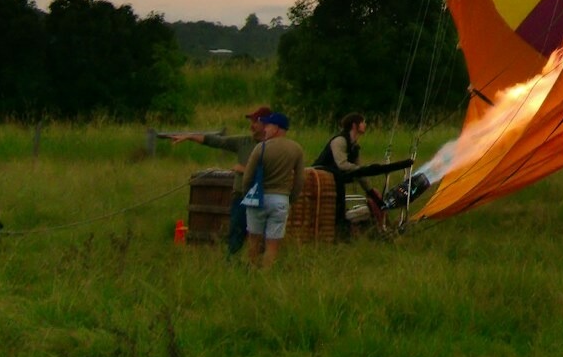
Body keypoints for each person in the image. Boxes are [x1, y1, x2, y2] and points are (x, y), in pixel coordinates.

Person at [168, 106, 268, 256]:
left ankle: (259, 264)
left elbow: (274, 170)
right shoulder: (243, 142)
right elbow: (216, 141)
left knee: (261, 235)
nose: (251, 126)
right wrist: (190, 136)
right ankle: (231, 262)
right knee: (235, 232)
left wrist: (244, 169)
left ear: (265, 124)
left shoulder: (273, 146)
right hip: (241, 195)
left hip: (263, 196)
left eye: (255, 122)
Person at [313, 112, 411, 239]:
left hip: (337, 181)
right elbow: (342, 164)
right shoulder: (339, 141)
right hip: (322, 177)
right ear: (355, 125)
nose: (365, 125)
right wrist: (364, 169)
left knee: (365, 197)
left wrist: (371, 192)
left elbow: (360, 174)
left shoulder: (354, 147)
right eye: (363, 122)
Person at [238, 113, 304, 268]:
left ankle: (252, 271)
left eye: (268, 126)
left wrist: (246, 194)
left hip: (258, 199)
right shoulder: (296, 149)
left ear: (276, 128)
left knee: (253, 240)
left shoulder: (260, 148)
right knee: (272, 244)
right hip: (281, 199)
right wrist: (290, 199)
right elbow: (300, 180)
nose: (265, 129)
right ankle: (266, 275)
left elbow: (247, 177)